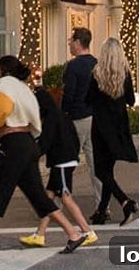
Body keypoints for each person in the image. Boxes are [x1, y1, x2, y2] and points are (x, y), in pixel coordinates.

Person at [0, 56, 87, 258]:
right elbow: (35, 119)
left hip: (11, 142)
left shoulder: (5, 84)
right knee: (38, 195)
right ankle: (73, 233)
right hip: (27, 142)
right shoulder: (26, 89)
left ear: (4, 70)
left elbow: (1, 111)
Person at [19, 69, 98, 248]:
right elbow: (75, 138)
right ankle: (40, 234)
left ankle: (87, 231)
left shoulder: (51, 119)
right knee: (48, 198)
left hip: (61, 161)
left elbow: (45, 143)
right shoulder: (62, 115)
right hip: (66, 159)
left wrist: (30, 155)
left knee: (65, 197)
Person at [87, 38, 139, 226]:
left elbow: (88, 99)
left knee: (101, 171)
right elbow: (132, 100)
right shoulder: (125, 74)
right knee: (108, 169)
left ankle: (125, 202)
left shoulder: (97, 74)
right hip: (119, 126)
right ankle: (101, 210)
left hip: (101, 127)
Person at [62, 27, 103, 218]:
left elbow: (68, 95)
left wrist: (63, 116)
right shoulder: (97, 64)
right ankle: (102, 205)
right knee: (95, 164)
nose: (69, 43)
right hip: (95, 117)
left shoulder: (72, 67)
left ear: (78, 43)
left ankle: (59, 204)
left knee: (66, 162)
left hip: (77, 117)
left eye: (71, 40)